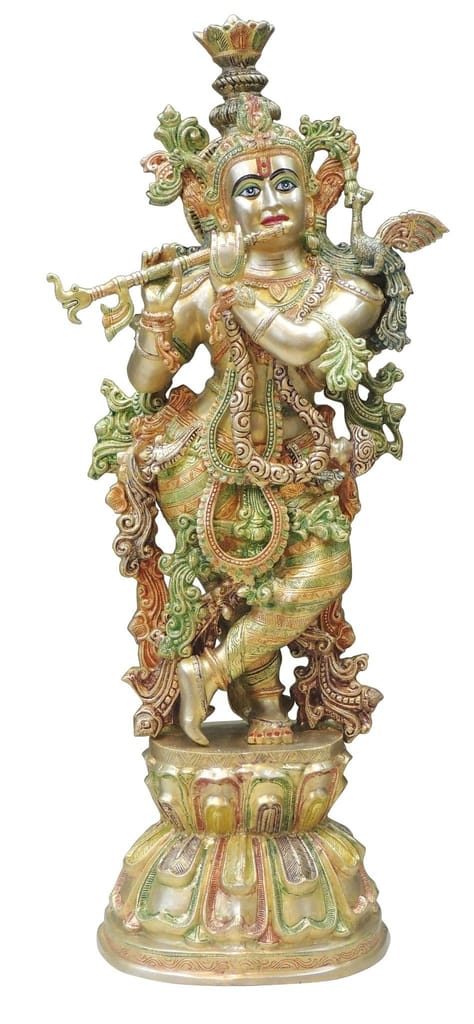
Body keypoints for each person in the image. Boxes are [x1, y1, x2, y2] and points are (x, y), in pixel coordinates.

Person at [126, 92, 384, 746]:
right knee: (237, 583)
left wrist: (236, 292)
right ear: (219, 211)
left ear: (315, 197)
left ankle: (211, 672)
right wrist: (156, 311)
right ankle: (262, 702)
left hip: (299, 464)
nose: (271, 199)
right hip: (205, 460)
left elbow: (301, 344)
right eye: (249, 188)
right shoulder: (201, 286)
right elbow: (147, 381)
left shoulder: (347, 289)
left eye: (286, 182)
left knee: (325, 569)